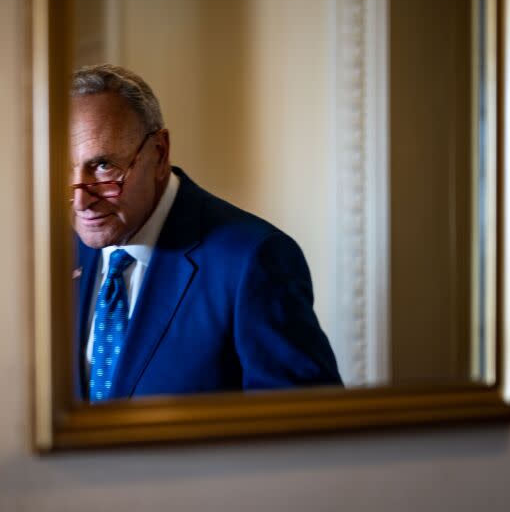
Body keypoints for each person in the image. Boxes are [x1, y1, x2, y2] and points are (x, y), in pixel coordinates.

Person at [69, 64, 342, 402]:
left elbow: (305, 430)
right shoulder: (55, 256)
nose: (81, 200)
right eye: (62, 168)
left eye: (103, 166)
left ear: (159, 153)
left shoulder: (253, 261)